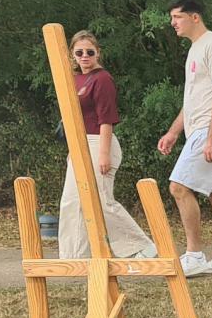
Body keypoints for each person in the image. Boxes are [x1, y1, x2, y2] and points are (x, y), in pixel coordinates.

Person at [155, 0, 212, 276]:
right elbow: (194, 99)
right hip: (201, 128)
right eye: (171, 19)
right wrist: (173, 132)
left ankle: (194, 254)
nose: (173, 23)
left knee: (178, 186)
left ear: (195, 17)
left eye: (177, 17)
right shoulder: (195, 49)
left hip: (211, 129)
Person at [59, 30, 156, 260]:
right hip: (80, 143)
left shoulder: (102, 79)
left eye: (89, 52)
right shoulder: (74, 78)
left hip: (99, 141)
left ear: (98, 53)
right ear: (73, 54)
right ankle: (73, 256)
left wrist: (104, 155)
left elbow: (106, 119)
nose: (85, 56)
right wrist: (73, 149)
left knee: (101, 200)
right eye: (79, 52)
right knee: (72, 200)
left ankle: (141, 246)